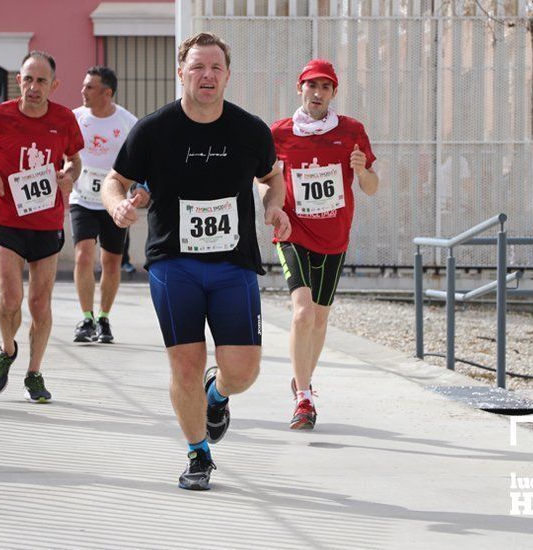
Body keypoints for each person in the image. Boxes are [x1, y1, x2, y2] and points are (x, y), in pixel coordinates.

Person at [102, 32, 291, 491]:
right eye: (197, 67)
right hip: (174, 263)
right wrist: (117, 207)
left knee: (243, 371)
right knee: (185, 364)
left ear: (227, 75)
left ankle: (217, 395)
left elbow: (271, 177)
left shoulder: (249, 130)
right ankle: (197, 453)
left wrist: (272, 205)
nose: (207, 76)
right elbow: (114, 180)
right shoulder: (153, 129)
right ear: (180, 72)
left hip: (234, 264)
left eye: (215, 68)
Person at [270, 59, 379, 429]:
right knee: (302, 312)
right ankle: (304, 398)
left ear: (333, 93)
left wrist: (362, 169)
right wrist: (272, 207)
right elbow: (264, 178)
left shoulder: (351, 132)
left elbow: (371, 187)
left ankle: (302, 379)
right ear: (299, 88)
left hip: (335, 236)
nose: (317, 93)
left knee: (319, 317)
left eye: (325, 88)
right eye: (311, 86)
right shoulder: (279, 134)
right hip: (292, 232)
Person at [0, 51, 83, 402]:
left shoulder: (63, 119)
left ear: (54, 85)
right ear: (18, 80)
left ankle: (34, 372)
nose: (34, 87)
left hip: (47, 221)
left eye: (41, 81)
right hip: (7, 219)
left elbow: (75, 159)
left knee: (39, 304)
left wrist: (69, 175)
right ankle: (7, 350)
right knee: (9, 298)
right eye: (28, 79)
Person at [70, 66, 140, 343]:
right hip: (83, 199)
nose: (83, 91)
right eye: (84, 85)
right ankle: (86, 318)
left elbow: (140, 162)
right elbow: (67, 154)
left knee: (111, 262)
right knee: (83, 255)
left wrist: (140, 189)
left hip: (114, 203)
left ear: (106, 92)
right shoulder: (75, 118)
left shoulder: (127, 123)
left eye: (89, 87)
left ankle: (103, 318)